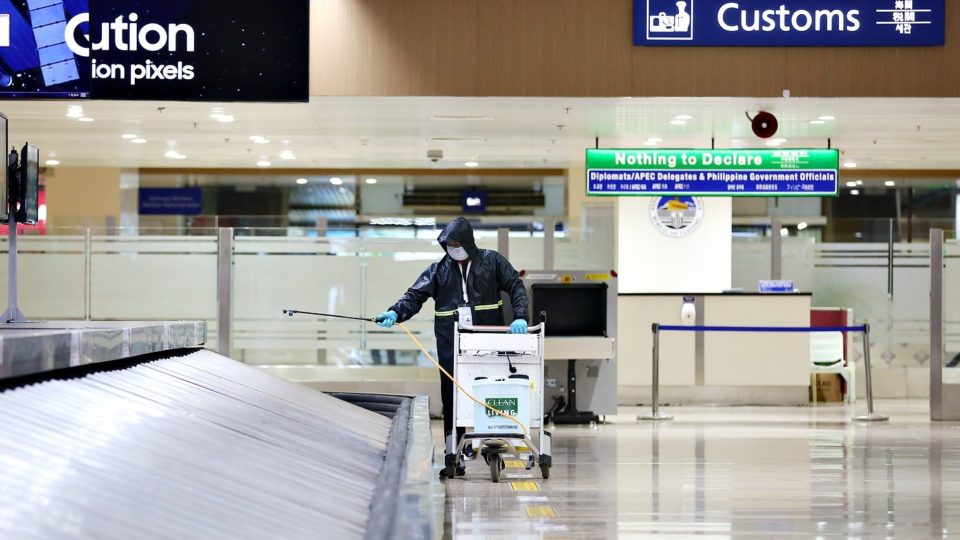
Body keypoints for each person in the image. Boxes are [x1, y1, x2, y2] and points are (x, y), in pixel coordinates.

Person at [376, 217, 529, 478]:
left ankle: (492, 444)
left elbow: (515, 286)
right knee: (452, 396)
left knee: (488, 391)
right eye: (448, 244)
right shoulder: (439, 270)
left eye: (457, 243)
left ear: (468, 242)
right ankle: (453, 453)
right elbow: (415, 296)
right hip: (451, 343)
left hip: (487, 340)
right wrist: (395, 312)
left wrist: (520, 315)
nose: (453, 248)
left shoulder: (492, 262)